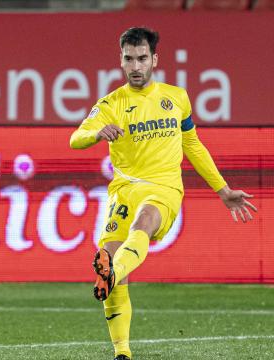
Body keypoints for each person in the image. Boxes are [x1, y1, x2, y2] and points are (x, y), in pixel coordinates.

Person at [69, 27, 257, 360]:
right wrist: (98, 132)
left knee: (144, 223)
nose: (136, 67)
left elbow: (192, 145)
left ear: (155, 59)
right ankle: (122, 352)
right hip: (124, 190)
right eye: (129, 59)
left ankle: (111, 273)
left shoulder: (176, 98)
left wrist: (222, 189)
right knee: (110, 255)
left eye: (142, 58)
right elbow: (76, 138)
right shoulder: (111, 104)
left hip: (164, 188)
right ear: (121, 61)